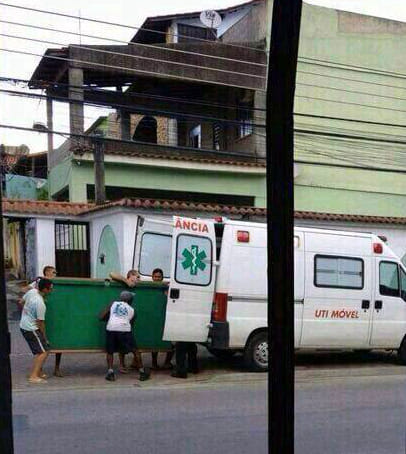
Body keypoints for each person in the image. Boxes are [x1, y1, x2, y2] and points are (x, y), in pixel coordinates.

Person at [101, 291, 150, 382]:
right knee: (135, 351)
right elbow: (131, 325)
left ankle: (110, 373)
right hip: (125, 330)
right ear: (130, 300)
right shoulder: (132, 310)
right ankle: (142, 372)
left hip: (111, 328)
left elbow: (102, 316)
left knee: (110, 351)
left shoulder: (113, 303)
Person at [19, 278, 53, 384]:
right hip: (31, 328)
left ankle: (37, 372)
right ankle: (33, 376)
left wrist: (28, 311)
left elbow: (21, 302)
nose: (52, 290)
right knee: (43, 352)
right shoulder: (40, 304)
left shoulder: (32, 292)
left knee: (42, 351)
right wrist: (45, 338)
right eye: (50, 289)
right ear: (45, 289)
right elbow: (40, 323)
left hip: (24, 325)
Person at [150, 268, 174, 370]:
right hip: (154, 318)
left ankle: (167, 362)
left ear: (162, 278)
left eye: (159, 277)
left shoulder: (166, 288)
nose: (157, 278)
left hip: (166, 318)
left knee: (171, 342)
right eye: (155, 276)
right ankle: (154, 364)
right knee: (154, 342)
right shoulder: (149, 288)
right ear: (152, 277)